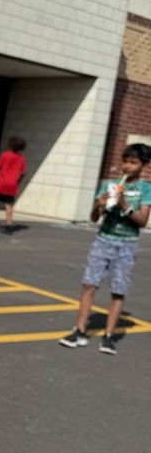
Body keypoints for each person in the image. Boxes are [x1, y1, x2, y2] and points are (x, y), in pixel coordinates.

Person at [59, 143, 151, 355]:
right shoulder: (109, 184)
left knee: (118, 290)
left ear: (143, 165)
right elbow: (94, 218)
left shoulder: (146, 189)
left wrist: (123, 205)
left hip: (126, 245)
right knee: (89, 284)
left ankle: (109, 336)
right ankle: (79, 330)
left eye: (133, 162)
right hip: (103, 240)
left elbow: (142, 220)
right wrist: (99, 204)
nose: (127, 166)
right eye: (125, 161)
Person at [0, 136, 27, 233]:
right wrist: (18, 182)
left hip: (1, 184)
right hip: (12, 185)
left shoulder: (5, 155)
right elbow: (22, 173)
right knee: (8, 205)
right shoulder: (21, 158)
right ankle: (9, 224)